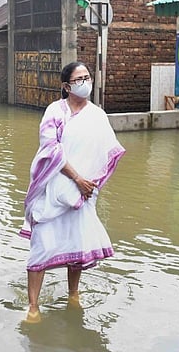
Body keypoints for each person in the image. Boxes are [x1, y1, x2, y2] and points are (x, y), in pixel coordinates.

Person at [20, 61, 125, 322]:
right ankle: (33, 307)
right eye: (79, 79)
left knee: (77, 246)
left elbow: (107, 151)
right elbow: (50, 149)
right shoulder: (55, 112)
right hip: (54, 190)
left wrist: (90, 183)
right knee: (42, 247)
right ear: (66, 86)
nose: (85, 82)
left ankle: (73, 295)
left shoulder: (97, 115)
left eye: (87, 77)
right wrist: (76, 178)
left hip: (84, 193)